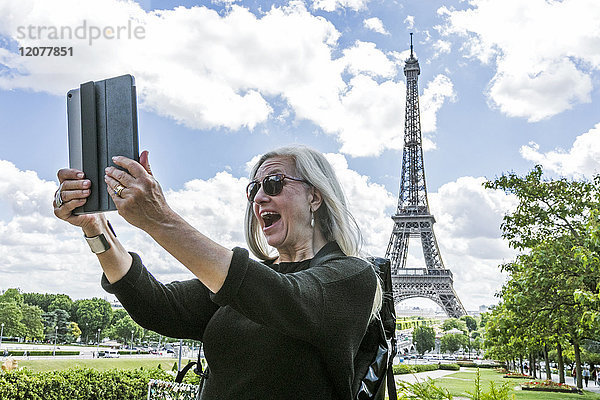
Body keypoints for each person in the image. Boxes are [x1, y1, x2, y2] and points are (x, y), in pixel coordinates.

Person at [54, 146, 381, 399]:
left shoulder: (351, 276)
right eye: (253, 190)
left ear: (315, 196)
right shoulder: (243, 283)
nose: (260, 197)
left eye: (274, 183)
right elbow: (157, 306)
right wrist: (95, 228)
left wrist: (158, 218)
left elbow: (279, 296)